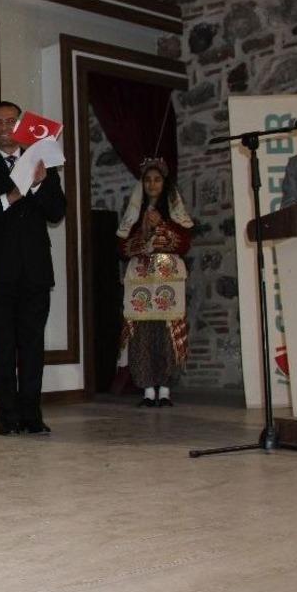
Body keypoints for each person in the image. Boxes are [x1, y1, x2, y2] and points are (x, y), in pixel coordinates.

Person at [0, 100, 66, 436]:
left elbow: (57, 212)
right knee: (1, 347)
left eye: (10, 121)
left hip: (35, 272)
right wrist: (11, 196)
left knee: (32, 347)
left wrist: (39, 184)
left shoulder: (42, 163)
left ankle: (32, 416)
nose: (4, 127)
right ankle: (7, 418)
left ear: (21, 127)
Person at [116, 159, 193, 407]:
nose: (152, 184)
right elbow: (122, 247)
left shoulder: (174, 212)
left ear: (164, 183)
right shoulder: (134, 213)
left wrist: (161, 224)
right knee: (142, 333)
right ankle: (148, 390)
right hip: (140, 280)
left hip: (168, 279)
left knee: (167, 332)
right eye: (148, 180)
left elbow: (184, 243)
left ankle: (166, 390)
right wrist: (144, 233)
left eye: (157, 180)